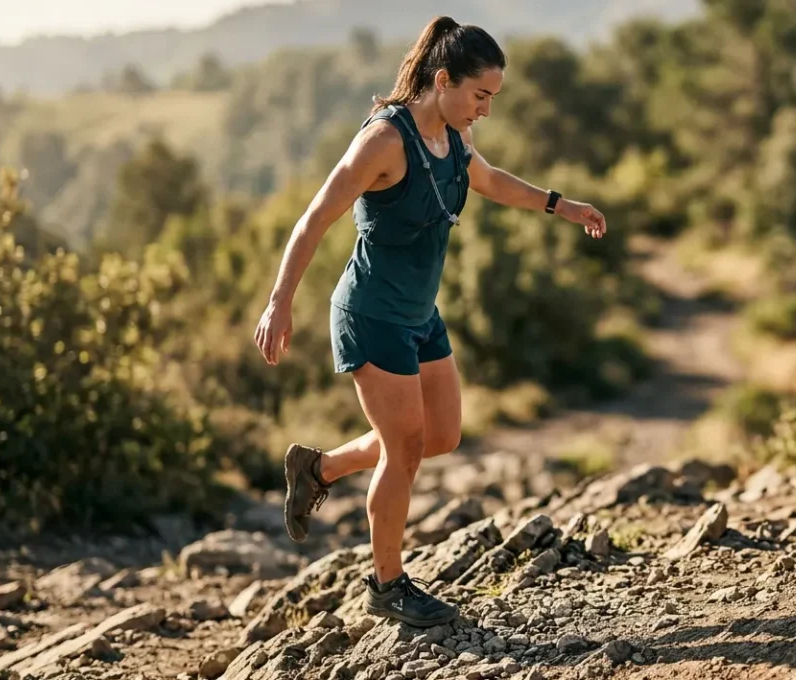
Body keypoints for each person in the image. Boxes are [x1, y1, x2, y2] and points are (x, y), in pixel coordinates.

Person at [252, 15, 607, 627]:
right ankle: (386, 586)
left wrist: (560, 205)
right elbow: (312, 220)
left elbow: (489, 180)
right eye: (479, 95)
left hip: (420, 314)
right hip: (370, 314)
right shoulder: (384, 142)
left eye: (492, 99)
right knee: (405, 447)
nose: (485, 110)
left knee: (441, 435)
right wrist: (279, 301)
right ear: (442, 79)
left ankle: (319, 468)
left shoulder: (455, 136)